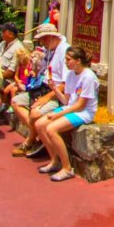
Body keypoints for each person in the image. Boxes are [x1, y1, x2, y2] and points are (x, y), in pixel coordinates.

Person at [34, 46, 99, 182]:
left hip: (83, 113)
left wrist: (57, 115)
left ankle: (67, 168)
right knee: (40, 124)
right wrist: (55, 89)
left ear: (78, 60)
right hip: (71, 107)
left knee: (51, 129)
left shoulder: (88, 77)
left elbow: (80, 105)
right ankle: (54, 160)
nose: (66, 62)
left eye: (68, 59)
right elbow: (66, 100)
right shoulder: (70, 75)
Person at [12, 23, 69, 158]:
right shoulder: (48, 50)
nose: (41, 43)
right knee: (16, 101)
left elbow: (65, 84)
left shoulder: (65, 52)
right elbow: (42, 73)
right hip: (41, 88)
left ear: (49, 37)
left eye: (43, 39)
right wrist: (35, 67)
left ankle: (30, 141)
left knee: (35, 114)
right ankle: (38, 137)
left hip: (55, 94)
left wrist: (46, 98)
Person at [0, 23, 22, 119]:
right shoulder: (2, 44)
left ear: (11, 34)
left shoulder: (18, 48)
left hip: (8, 79)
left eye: (4, 31)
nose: (1, 33)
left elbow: (11, 72)